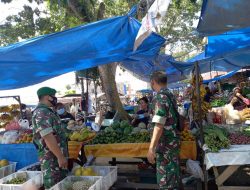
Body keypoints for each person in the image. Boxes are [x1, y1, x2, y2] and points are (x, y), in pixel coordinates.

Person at [147, 71, 181, 190]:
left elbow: (159, 125)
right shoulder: (170, 95)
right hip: (172, 143)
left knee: (166, 182)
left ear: (153, 82)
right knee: (173, 177)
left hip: (165, 145)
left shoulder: (160, 97)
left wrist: (151, 148)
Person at [32, 87, 68, 189]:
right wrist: (60, 157)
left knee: (61, 185)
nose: (55, 98)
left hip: (55, 157)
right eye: (54, 96)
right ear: (48, 97)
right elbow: (48, 137)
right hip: (51, 160)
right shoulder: (41, 112)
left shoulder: (48, 111)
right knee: (54, 186)